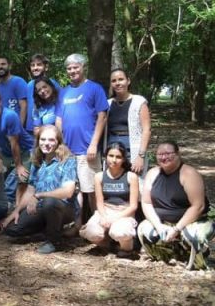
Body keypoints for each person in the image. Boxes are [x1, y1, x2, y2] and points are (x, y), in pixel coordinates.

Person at [137, 141, 214, 270]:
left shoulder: (189, 174)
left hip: (194, 221)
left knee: (191, 236)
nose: (163, 157)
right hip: (164, 222)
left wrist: (177, 229)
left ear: (178, 154)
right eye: (160, 154)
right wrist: (158, 225)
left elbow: (198, 206)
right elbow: (146, 202)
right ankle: (169, 257)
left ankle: (197, 260)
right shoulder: (152, 173)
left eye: (168, 153)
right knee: (144, 230)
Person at [3, 125, 77, 254]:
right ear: (38, 141)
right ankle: (46, 230)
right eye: (43, 140)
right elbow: (30, 189)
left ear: (58, 142)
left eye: (51, 140)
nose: (46, 143)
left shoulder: (68, 160)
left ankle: (54, 241)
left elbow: (68, 191)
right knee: (12, 229)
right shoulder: (37, 160)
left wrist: (39, 196)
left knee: (50, 202)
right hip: (41, 208)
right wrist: (16, 211)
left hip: (62, 208)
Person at [56, 53, 108, 219]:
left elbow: (102, 116)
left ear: (83, 67)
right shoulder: (63, 93)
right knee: (73, 190)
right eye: (69, 68)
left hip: (87, 150)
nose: (72, 71)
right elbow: (59, 120)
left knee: (92, 190)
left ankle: (98, 224)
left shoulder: (94, 88)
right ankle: (78, 225)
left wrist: (94, 144)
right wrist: (61, 145)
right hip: (68, 151)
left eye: (75, 67)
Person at [79, 142, 140, 256]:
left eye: (118, 157)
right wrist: (103, 216)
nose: (114, 160)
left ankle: (126, 248)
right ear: (105, 157)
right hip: (106, 210)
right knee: (92, 232)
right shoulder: (99, 177)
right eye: (111, 156)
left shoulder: (131, 177)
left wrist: (115, 218)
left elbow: (133, 206)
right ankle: (105, 243)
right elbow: (99, 203)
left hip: (124, 212)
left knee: (120, 232)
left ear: (123, 159)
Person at [0, 89, 33, 203]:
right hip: (5, 152)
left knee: (21, 176)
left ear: (0, 102)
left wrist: (19, 166)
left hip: (25, 150)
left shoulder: (10, 116)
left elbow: (14, 143)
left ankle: (13, 206)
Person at [106, 68, 151, 174]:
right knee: (115, 182)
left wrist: (141, 156)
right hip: (112, 149)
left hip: (133, 148)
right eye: (114, 81)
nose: (118, 83)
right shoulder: (107, 104)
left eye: (121, 79)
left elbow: (146, 130)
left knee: (136, 181)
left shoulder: (139, 101)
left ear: (128, 81)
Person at [25, 54, 59, 137]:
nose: (35, 68)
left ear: (46, 67)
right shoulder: (29, 84)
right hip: (31, 128)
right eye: (32, 65)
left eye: (39, 65)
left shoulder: (52, 83)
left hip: (48, 128)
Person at [0, 55, 28, 128]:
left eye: (3, 64)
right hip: (4, 127)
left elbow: (24, 106)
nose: (0, 67)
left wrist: (19, 128)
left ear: (9, 66)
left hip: (16, 127)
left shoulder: (18, 82)